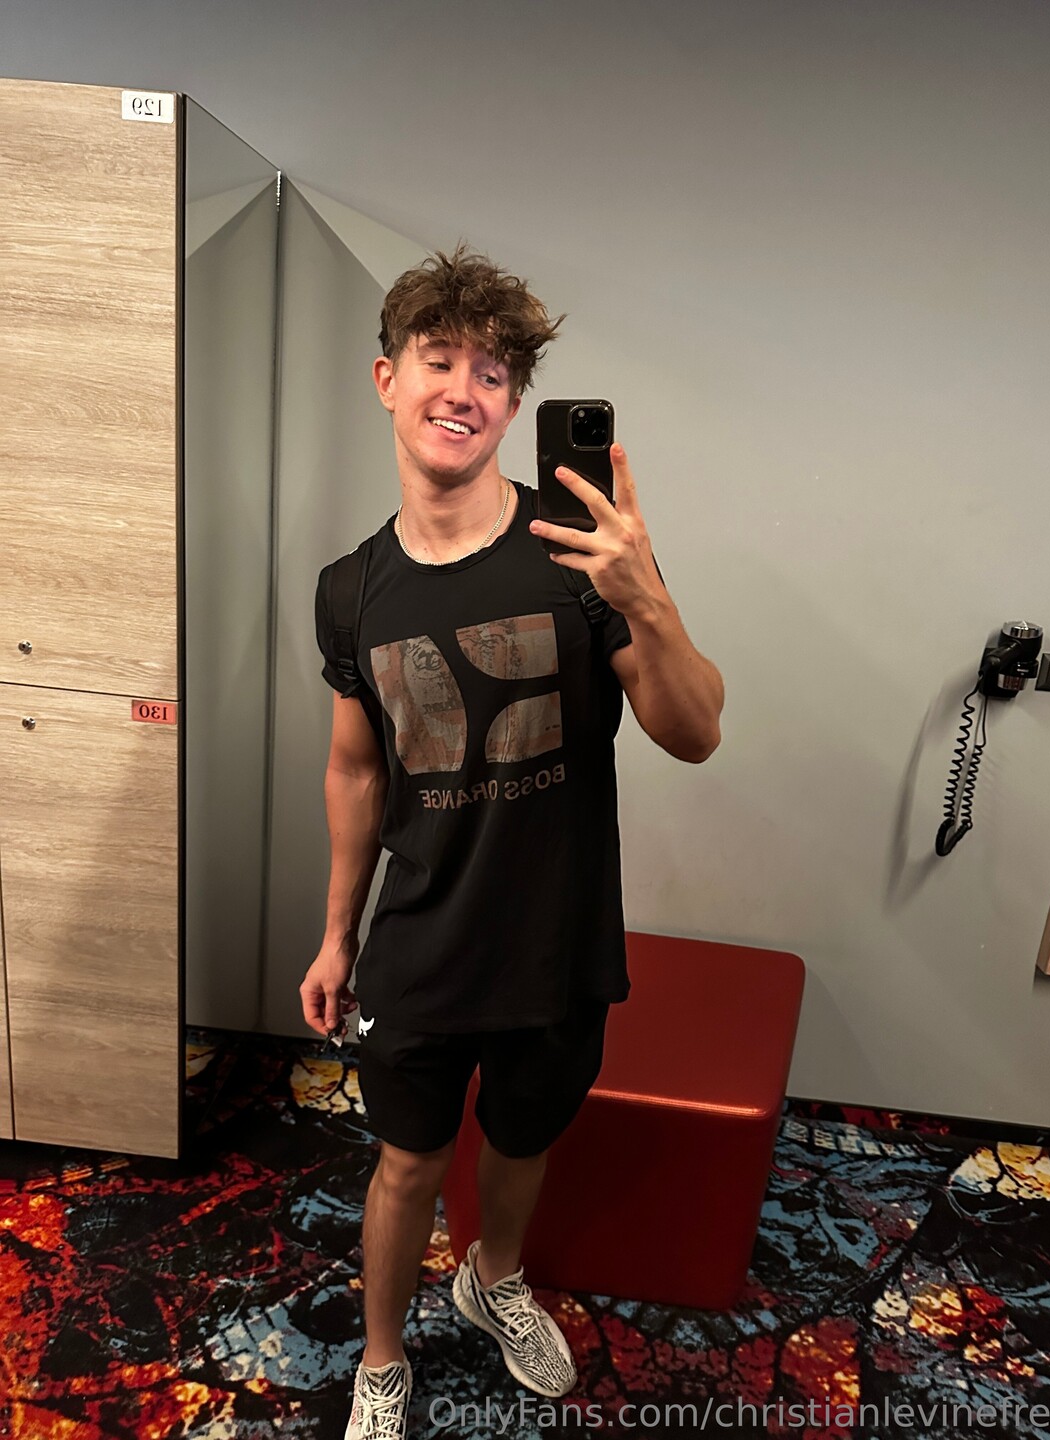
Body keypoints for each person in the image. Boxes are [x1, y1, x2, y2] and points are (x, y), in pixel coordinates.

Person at [300, 244, 724, 1440]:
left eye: (492, 373)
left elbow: (694, 732)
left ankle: (493, 1282)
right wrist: (335, 935)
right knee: (407, 1164)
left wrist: (645, 596)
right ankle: (383, 1359)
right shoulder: (350, 591)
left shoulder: (583, 555)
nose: (464, 390)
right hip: (422, 942)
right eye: (439, 360)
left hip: (557, 937)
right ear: (387, 378)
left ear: (515, 403)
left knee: (524, 1141)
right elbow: (355, 768)